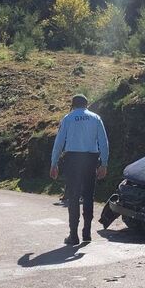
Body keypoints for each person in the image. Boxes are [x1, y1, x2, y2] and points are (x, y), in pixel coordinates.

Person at [50, 94, 110, 245]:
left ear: (73, 105)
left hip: (73, 160)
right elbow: (103, 141)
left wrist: (54, 163)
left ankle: (73, 235)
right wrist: (104, 163)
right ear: (86, 104)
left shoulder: (68, 118)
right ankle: (87, 233)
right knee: (89, 195)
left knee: (74, 196)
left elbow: (59, 142)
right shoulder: (95, 118)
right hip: (90, 159)